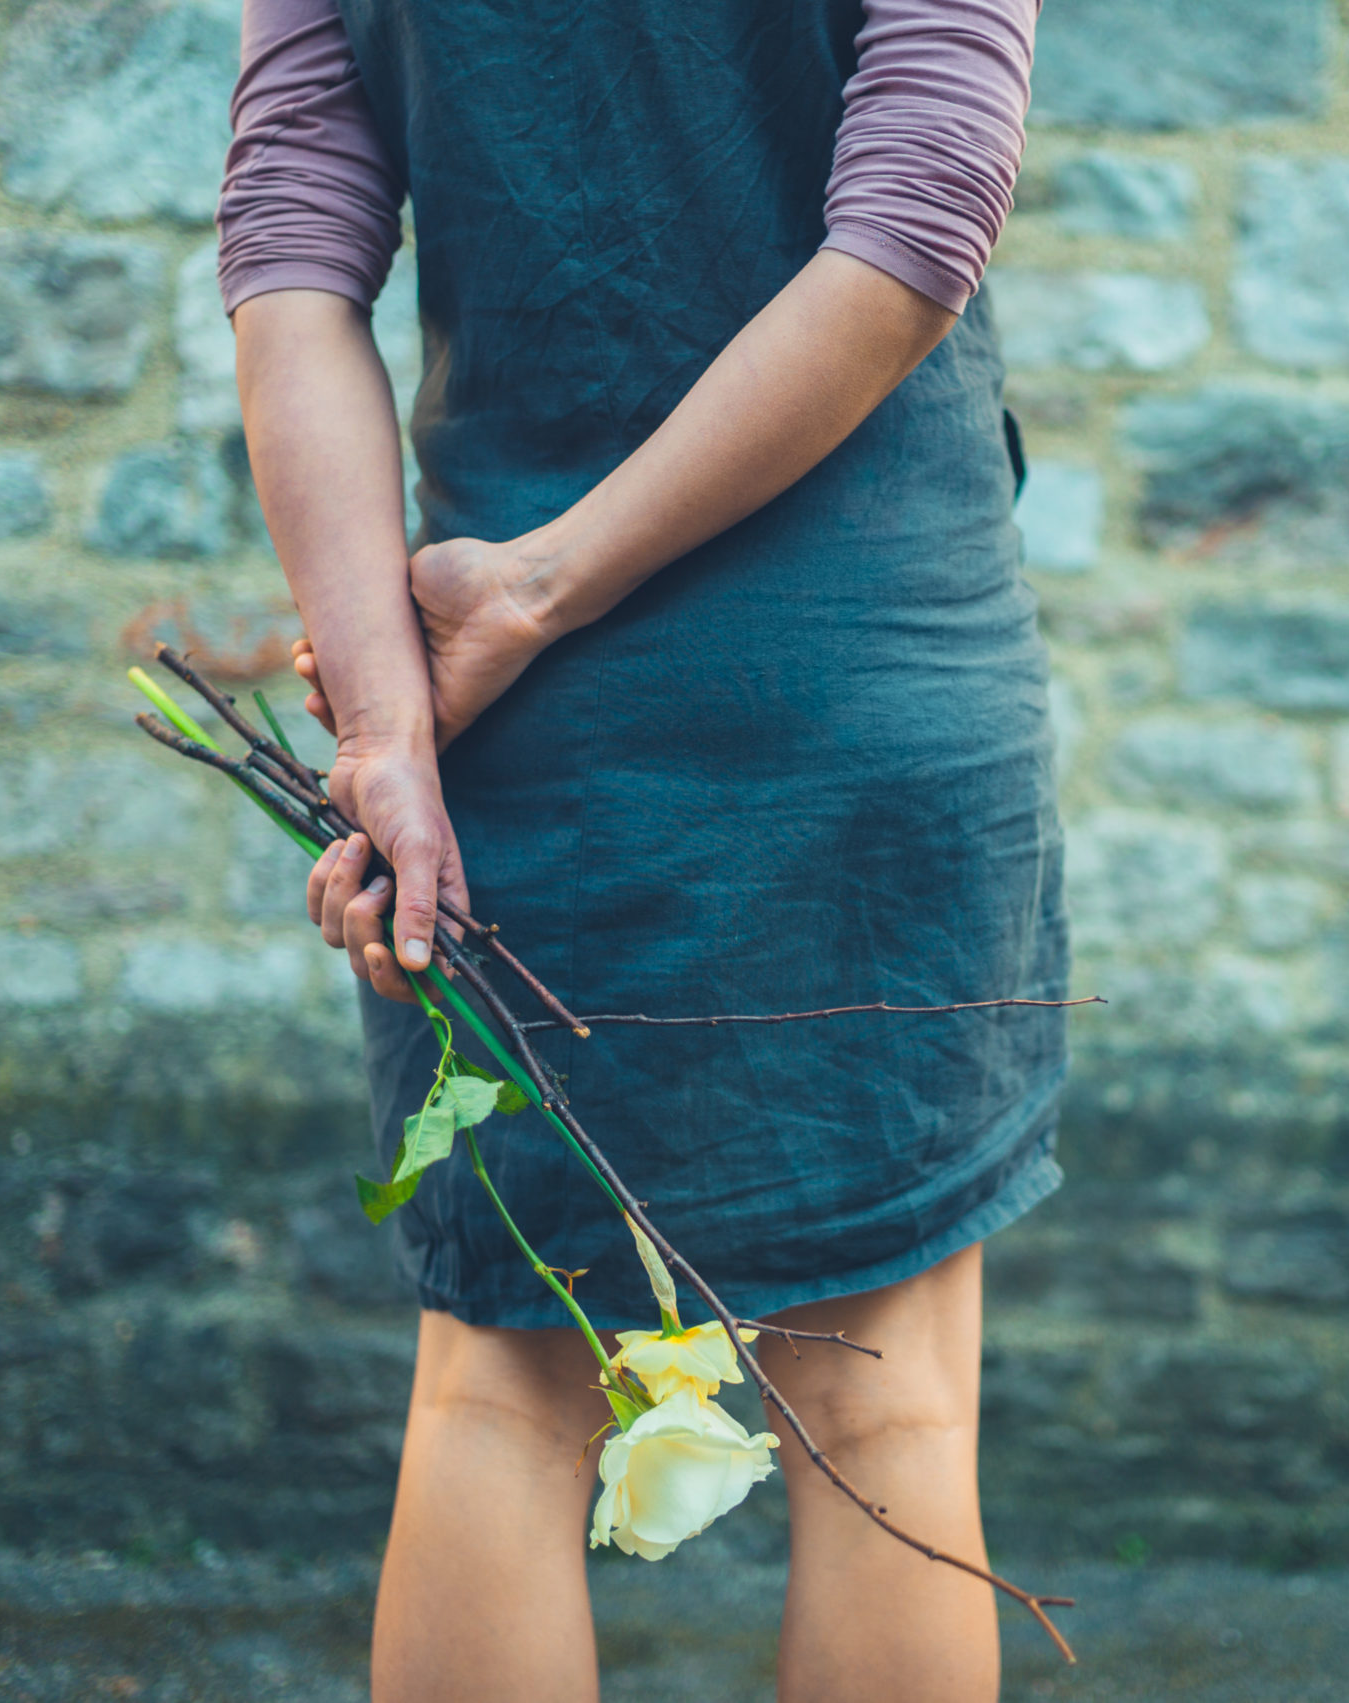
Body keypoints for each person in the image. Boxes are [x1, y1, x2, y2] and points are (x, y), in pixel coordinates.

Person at [215, 1, 1060, 1698]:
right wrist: (525, 602)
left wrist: (389, 722)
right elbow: (923, 207)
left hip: (514, 709)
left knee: (500, 1396)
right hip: (858, 661)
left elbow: (293, 232)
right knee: (886, 1402)